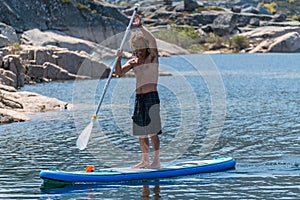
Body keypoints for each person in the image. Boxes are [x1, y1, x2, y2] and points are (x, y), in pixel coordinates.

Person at [114, 14, 162, 169]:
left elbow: (153, 41)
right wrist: (118, 58)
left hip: (151, 96)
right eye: (136, 47)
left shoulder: (152, 57)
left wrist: (140, 26)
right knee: (141, 132)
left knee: (152, 131)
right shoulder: (133, 61)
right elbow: (118, 73)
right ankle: (145, 161)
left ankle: (156, 161)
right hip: (139, 98)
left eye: (141, 46)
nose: (139, 50)